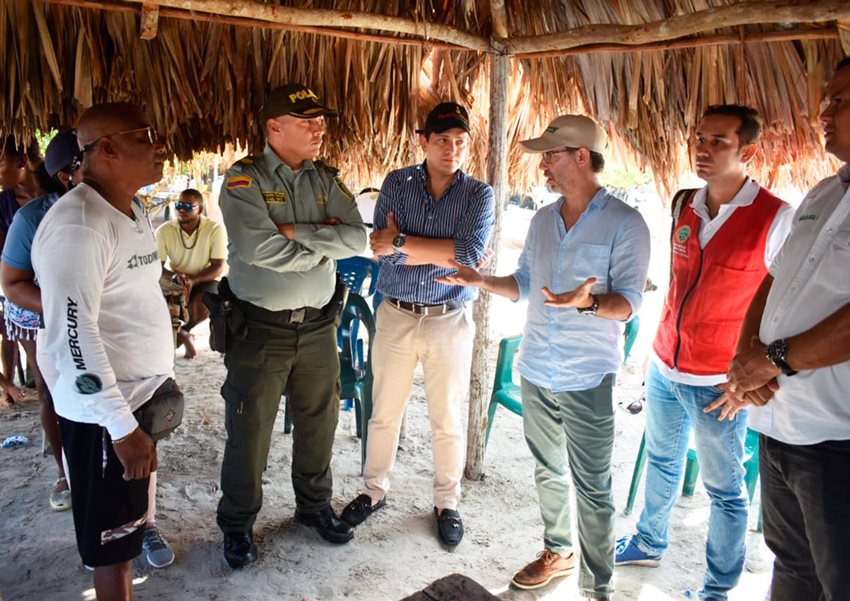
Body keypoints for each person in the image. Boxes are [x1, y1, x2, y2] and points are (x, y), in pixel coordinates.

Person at [439, 115, 650, 599]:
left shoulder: (625, 223)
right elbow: (524, 284)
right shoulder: (542, 219)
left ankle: (597, 586)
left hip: (586, 375)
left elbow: (628, 304)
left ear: (581, 156)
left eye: (551, 156)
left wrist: (589, 303)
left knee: (593, 487)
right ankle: (559, 550)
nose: (543, 166)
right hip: (536, 369)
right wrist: (480, 280)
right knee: (547, 469)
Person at [614, 106, 793, 601]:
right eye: (700, 137)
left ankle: (717, 590)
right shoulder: (684, 204)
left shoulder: (775, 218)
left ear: (748, 151)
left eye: (719, 140)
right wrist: (660, 352)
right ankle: (648, 542)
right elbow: (678, 287)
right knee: (661, 460)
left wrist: (750, 381)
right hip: (666, 365)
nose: (703, 148)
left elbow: (784, 304)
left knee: (726, 492)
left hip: (721, 382)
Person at [711, 58, 850, 601]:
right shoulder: (823, 193)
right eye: (826, 98)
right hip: (779, 423)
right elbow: (775, 280)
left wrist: (776, 360)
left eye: (841, 99)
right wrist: (749, 356)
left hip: (837, 438)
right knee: (791, 568)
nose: (824, 111)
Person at [216, 83, 367, 568]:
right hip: (260, 330)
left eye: (321, 120)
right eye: (307, 122)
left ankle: (313, 507)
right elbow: (260, 250)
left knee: (319, 423)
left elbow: (359, 238)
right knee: (250, 431)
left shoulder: (326, 179)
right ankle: (238, 525)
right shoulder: (244, 180)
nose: (319, 128)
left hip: (319, 328)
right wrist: (324, 246)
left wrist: (299, 233)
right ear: (274, 128)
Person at [32, 103, 175, 600]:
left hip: (136, 401)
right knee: (112, 553)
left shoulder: (131, 208)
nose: (160, 145)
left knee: (127, 534)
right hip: (105, 419)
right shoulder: (79, 227)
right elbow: (74, 342)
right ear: (107, 148)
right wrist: (121, 428)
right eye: (146, 135)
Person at [339, 102, 495, 547]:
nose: (452, 149)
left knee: (447, 417)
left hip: (449, 317)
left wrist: (404, 240)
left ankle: (448, 501)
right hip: (396, 313)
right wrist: (439, 249)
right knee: (384, 410)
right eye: (443, 140)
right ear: (423, 141)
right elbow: (379, 247)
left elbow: (466, 256)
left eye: (461, 142)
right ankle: (374, 491)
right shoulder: (397, 182)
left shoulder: (479, 194)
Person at [1, 129, 82, 511]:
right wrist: (64, 308)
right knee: (53, 388)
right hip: (38, 310)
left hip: (84, 305)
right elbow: (14, 282)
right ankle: (66, 471)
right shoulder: (29, 216)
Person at [0, 134, 52, 401]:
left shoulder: (60, 190)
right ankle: (55, 443)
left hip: (66, 288)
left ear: (22, 160)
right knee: (45, 382)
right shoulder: (4, 205)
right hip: (26, 299)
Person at [155, 188, 227, 358]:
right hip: (174, 278)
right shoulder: (164, 230)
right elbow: (156, 266)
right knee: (154, 302)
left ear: (200, 209)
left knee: (206, 300)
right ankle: (180, 336)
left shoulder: (215, 229)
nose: (181, 209)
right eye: (179, 205)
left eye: (188, 206)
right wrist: (175, 278)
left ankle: (184, 333)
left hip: (203, 279)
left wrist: (193, 280)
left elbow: (218, 266)